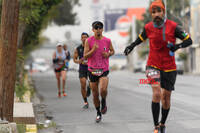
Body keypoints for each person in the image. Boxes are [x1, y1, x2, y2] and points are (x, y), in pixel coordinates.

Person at [124, 0, 192, 133]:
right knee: (156, 93)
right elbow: (140, 39)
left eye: (158, 11)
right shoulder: (148, 27)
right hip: (152, 65)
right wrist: (131, 46)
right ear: (151, 14)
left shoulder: (174, 27)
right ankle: (156, 125)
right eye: (153, 12)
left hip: (170, 67)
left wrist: (177, 46)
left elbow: (189, 40)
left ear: (163, 11)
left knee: (166, 98)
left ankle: (162, 123)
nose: (156, 14)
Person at [84, 21, 115, 123]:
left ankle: (104, 101)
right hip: (92, 70)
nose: (98, 30)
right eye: (96, 28)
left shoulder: (107, 40)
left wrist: (108, 54)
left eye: (100, 28)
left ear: (102, 29)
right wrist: (93, 50)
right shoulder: (88, 41)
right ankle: (98, 113)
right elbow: (85, 56)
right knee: (95, 94)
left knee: (103, 89)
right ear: (93, 30)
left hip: (103, 69)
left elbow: (112, 51)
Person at [73, 32, 91, 109]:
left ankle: (89, 87)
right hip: (82, 69)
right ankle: (85, 102)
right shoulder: (78, 48)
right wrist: (79, 61)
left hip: (91, 68)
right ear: (81, 39)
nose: (84, 39)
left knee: (92, 84)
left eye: (85, 37)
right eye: (83, 37)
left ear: (88, 38)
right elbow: (74, 59)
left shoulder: (91, 47)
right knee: (83, 84)